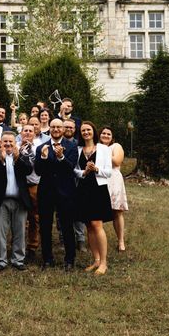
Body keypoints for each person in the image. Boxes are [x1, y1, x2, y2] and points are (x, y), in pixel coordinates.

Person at [35, 118, 79, 271]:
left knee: (67, 226)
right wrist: (44, 157)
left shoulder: (72, 146)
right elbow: (38, 171)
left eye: (58, 127)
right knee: (45, 227)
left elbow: (70, 169)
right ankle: (47, 259)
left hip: (65, 192)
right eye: (53, 127)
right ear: (49, 129)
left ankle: (69, 259)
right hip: (46, 192)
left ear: (63, 129)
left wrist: (61, 157)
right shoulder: (41, 147)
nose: (55, 129)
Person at [0, 131, 33, 271]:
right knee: (0, 232)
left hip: (19, 200)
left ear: (15, 143)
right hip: (1, 200)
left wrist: (17, 159)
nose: (8, 144)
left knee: (19, 232)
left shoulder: (21, 156)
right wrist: (1, 161)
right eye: (5, 142)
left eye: (10, 142)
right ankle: (1, 260)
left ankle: (18, 260)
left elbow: (29, 170)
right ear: (0, 143)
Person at [74, 121, 113, 276]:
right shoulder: (78, 150)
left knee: (97, 224)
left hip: (98, 189)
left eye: (88, 130)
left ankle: (104, 262)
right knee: (88, 225)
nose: (86, 133)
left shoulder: (103, 148)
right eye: (83, 130)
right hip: (83, 189)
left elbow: (109, 172)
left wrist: (95, 169)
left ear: (93, 131)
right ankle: (96, 259)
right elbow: (74, 170)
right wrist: (83, 172)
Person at [99, 126, 128, 252]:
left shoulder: (116, 146)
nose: (105, 135)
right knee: (98, 211)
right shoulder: (96, 146)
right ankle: (99, 240)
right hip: (100, 179)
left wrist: (102, 154)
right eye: (103, 133)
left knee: (117, 211)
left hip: (114, 180)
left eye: (108, 134)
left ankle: (121, 241)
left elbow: (117, 161)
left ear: (112, 137)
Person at [61, 118, 87, 253]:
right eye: (66, 127)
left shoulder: (78, 145)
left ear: (75, 129)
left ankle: (80, 239)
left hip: (76, 182)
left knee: (77, 212)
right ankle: (62, 238)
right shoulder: (56, 143)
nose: (69, 129)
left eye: (71, 127)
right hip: (61, 183)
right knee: (62, 213)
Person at [18, 123, 41, 261]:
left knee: (34, 217)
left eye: (30, 131)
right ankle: (18, 245)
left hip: (35, 185)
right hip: (20, 186)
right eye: (25, 131)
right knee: (20, 218)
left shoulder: (39, 147)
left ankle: (32, 247)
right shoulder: (15, 146)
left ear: (34, 133)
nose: (27, 133)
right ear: (21, 133)